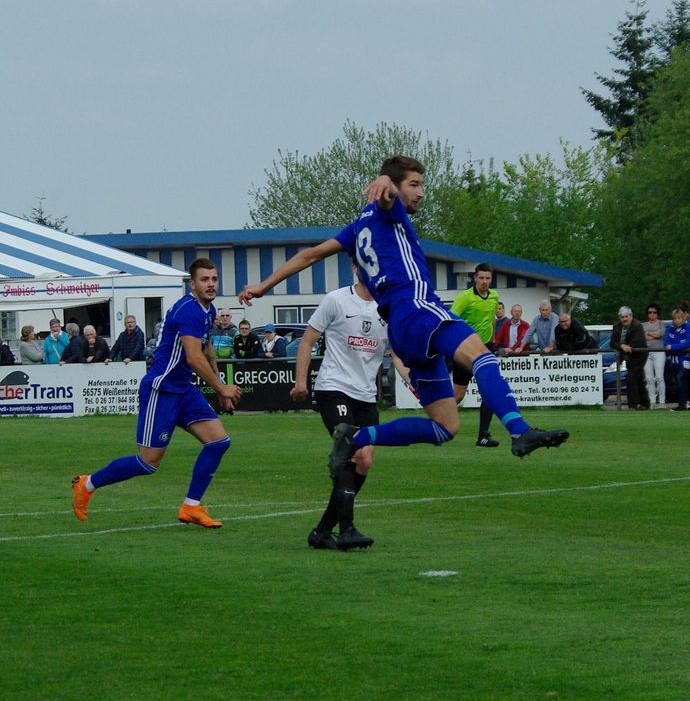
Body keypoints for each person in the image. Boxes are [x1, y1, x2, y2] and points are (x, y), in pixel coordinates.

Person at [237, 155, 568, 463]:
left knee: (445, 426)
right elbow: (387, 195)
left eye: (422, 185)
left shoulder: (355, 230)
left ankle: (354, 436)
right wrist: (385, 181)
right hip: (417, 307)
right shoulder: (389, 210)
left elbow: (308, 255)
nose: (421, 193)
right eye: (415, 184)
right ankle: (518, 430)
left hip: (399, 328)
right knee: (482, 358)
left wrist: (264, 286)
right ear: (395, 186)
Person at [71, 258, 243, 526]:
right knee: (148, 462)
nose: (210, 285)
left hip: (183, 390)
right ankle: (87, 484)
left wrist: (219, 385)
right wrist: (221, 387)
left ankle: (191, 507)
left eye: (214, 279)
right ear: (192, 284)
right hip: (161, 390)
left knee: (219, 442)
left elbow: (207, 350)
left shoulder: (208, 311)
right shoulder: (189, 310)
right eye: (204, 280)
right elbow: (193, 357)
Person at [290, 272, 408, 551]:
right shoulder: (336, 300)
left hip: (366, 397)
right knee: (348, 448)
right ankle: (347, 530)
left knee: (364, 460)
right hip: (334, 388)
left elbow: (398, 354)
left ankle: (321, 532)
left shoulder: (388, 307)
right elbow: (307, 341)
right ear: (357, 267)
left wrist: (414, 383)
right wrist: (301, 382)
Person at [449, 262, 502, 448]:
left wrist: (492, 342)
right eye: (481, 278)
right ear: (475, 278)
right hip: (465, 350)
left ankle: (483, 437)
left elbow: (491, 320)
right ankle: (435, 421)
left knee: (490, 392)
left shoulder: (494, 296)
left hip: (485, 350)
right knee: (458, 395)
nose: (485, 281)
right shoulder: (465, 298)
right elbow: (450, 320)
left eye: (488, 278)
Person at [612, 306, 649, 410]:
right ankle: (645, 404)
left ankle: (633, 405)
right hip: (627, 356)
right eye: (622, 317)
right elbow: (612, 342)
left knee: (631, 378)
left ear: (631, 316)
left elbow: (638, 342)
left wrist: (625, 346)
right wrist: (622, 346)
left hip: (639, 355)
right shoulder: (617, 326)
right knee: (639, 379)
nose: (624, 319)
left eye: (626, 316)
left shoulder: (637, 325)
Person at [664, 308, 690, 411]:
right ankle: (685, 404)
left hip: (688, 360)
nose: (677, 320)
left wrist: (673, 347)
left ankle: (687, 404)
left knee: (686, 382)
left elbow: (689, 343)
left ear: (683, 318)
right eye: (675, 318)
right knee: (680, 382)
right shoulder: (670, 327)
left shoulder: (689, 327)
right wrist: (673, 346)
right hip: (676, 360)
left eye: (679, 318)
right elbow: (666, 342)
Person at [642, 303, 667, 408]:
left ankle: (662, 402)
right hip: (647, 353)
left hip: (659, 352)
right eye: (649, 312)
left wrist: (649, 333)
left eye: (654, 312)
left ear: (658, 313)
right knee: (649, 378)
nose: (652, 314)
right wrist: (654, 334)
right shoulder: (643, 325)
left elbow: (660, 334)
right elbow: (643, 337)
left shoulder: (662, 323)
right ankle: (652, 401)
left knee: (659, 377)